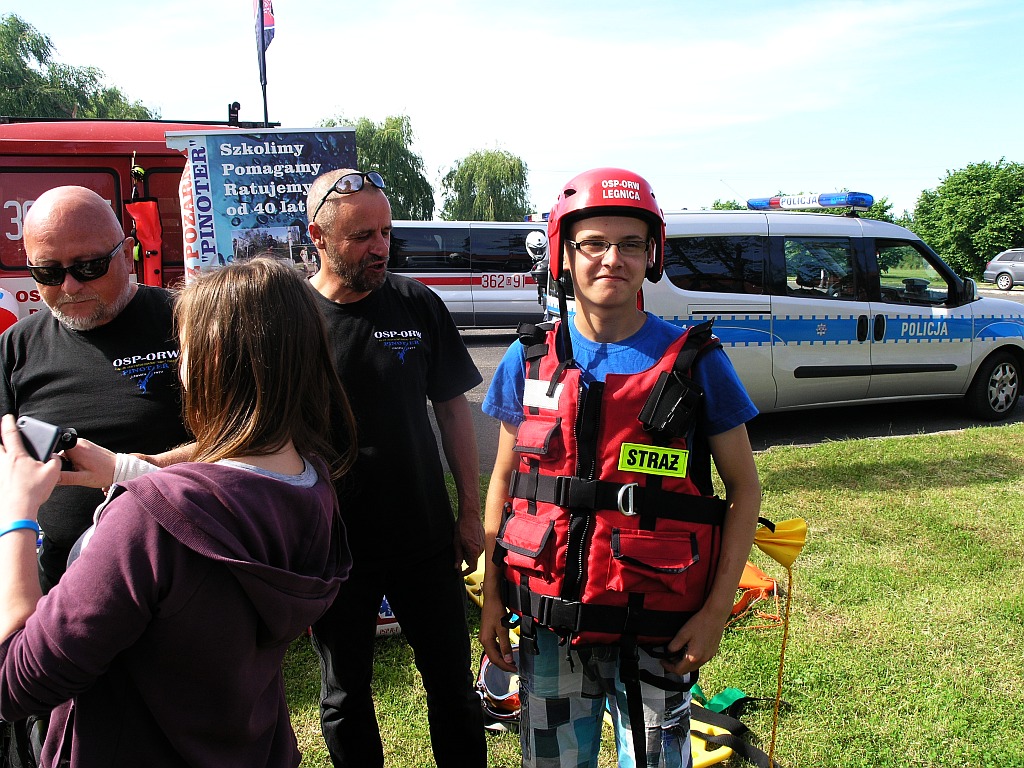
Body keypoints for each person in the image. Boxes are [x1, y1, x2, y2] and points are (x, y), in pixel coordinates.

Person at [0, 257, 357, 767]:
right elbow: (219, 508)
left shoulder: (145, 524)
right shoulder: (310, 482)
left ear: (210, 363)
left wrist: (15, 515)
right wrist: (126, 468)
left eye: (184, 351)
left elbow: (17, 680)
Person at [478, 168, 762, 768]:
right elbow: (505, 483)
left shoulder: (695, 362)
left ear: (651, 254)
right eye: (594, 244)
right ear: (564, 253)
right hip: (550, 623)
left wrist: (715, 612)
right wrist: (491, 603)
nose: (614, 258)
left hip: (658, 626)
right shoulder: (527, 358)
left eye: (631, 243)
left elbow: (743, 489)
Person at [304, 168, 488, 768]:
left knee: (453, 688)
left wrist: (467, 511)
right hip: (333, 544)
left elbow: (454, 411)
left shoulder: (417, 303)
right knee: (344, 694)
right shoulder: (293, 318)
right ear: (318, 237)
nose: (381, 246)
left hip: (422, 535)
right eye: (362, 236)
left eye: (385, 231)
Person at [0, 185, 190, 593]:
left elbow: (248, 439)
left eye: (88, 267)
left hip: (184, 570)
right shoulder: (17, 346)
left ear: (126, 254)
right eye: (48, 273)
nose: (69, 286)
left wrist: (132, 469)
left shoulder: (190, 322)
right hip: (66, 582)